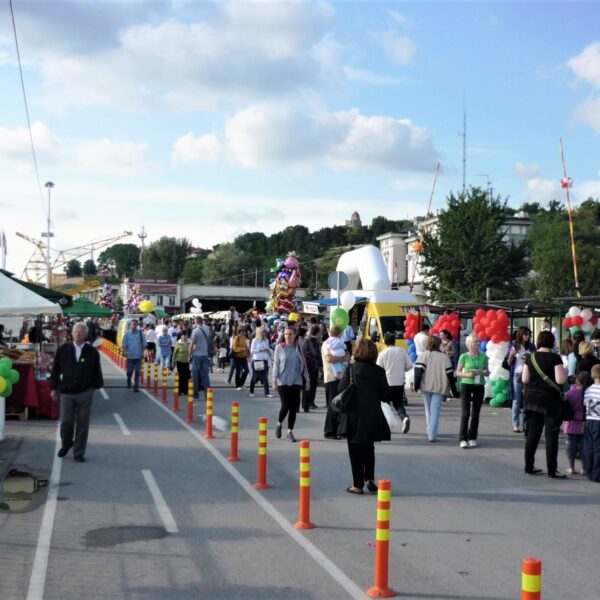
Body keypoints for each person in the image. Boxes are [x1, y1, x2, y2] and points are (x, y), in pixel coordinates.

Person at [337, 338, 390, 495]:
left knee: (354, 450)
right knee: (369, 448)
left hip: (353, 414)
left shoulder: (351, 369)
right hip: (372, 414)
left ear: (357, 351)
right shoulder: (378, 371)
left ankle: (357, 484)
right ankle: (369, 478)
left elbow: (341, 388)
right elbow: (386, 395)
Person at [50, 322, 104, 463]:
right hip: (67, 392)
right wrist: (53, 388)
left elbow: (97, 371)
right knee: (66, 422)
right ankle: (66, 443)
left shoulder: (92, 352)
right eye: (75, 331)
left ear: (86, 335)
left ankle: (79, 452)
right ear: (71, 333)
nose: (78, 334)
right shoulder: (63, 349)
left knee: (82, 424)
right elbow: (56, 370)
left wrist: (96, 386)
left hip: (85, 392)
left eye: (81, 332)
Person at [521, 330, 568, 478]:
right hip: (550, 401)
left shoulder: (530, 357)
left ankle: (529, 466)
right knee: (551, 436)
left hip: (532, 399)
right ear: (552, 342)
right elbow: (560, 380)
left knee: (533, 435)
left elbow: (524, 379)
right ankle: (552, 470)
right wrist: (565, 372)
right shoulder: (555, 358)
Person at [414, 335, 458, 442]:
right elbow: (450, 375)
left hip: (426, 386)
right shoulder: (444, 358)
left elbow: (418, 372)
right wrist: (454, 391)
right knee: (435, 410)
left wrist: (416, 386)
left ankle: (430, 430)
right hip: (440, 387)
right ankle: (431, 434)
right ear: (439, 344)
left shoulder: (423, 356)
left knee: (428, 410)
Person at [272, 326, 310, 442]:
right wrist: (274, 381)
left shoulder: (297, 348)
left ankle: (290, 431)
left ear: (294, 336)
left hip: (296, 381)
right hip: (283, 381)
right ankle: (279, 424)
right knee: (285, 405)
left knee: (293, 408)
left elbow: (304, 365)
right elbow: (276, 365)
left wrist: (307, 380)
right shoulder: (279, 348)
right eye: (286, 334)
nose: (288, 336)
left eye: (290, 334)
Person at [456, 334, 489, 448]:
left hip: (479, 384)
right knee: (465, 413)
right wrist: (467, 374)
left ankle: (472, 437)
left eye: (479, 341)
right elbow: (458, 372)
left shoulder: (484, 356)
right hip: (466, 384)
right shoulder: (464, 356)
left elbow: (487, 371)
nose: (478, 343)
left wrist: (484, 372)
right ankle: (463, 438)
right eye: (475, 342)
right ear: (470, 343)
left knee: (476, 412)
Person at [376, 333, 412, 434]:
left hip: (386, 382)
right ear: (394, 341)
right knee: (398, 403)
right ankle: (404, 418)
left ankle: (386, 424)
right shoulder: (402, 351)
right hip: (399, 382)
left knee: (384, 404)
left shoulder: (383, 353)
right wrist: (401, 369)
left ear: (385, 341)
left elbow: (378, 368)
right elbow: (409, 365)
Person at [505, 326, 536, 433]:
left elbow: (535, 359)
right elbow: (508, 363)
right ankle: (515, 424)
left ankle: (526, 424)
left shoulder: (531, 346)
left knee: (527, 399)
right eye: (526, 334)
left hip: (528, 374)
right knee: (517, 399)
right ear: (521, 334)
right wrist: (511, 356)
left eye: (529, 334)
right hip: (517, 374)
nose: (528, 336)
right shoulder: (514, 345)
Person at [322, 326, 351, 439]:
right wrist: (343, 358)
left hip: (341, 378)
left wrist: (346, 358)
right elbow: (329, 359)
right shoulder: (326, 344)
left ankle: (338, 430)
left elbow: (348, 357)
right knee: (333, 405)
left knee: (340, 404)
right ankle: (329, 431)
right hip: (331, 378)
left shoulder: (340, 344)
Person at [564, 371, 592, 475]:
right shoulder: (588, 393)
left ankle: (571, 467)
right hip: (585, 423)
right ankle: (584, 468)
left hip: (571, 423)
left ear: (577, 381)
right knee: (584, 447)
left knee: (571, 446)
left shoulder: (570, 393)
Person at [583, 364, 600, 482]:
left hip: (589, 419)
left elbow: (585, 404)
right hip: (599, 421)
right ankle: (597, 472)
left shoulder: (588, 389)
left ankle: (588, 469)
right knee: (598, 448)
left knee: (588, 446)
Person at [189, 317, 212, 398]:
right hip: (205, 354)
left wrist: (189, 355)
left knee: (195, 375)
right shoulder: (207, 329)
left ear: (196, 322)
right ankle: (207, 394)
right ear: (202, 322)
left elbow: (192, 344)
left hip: (197, 355)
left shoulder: (195, 331)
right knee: (205, 375)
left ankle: (195, 394)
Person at [300, 325, 322, 411]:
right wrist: (320, 366)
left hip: (306, 366)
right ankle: (310, 403)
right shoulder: (314, 342)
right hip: (312, 365)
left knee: (306, 385)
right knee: (312, 385)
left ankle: (306, 403)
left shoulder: (305, 340)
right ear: (317, 333)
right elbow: (317, 354)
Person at [122, 319, 146, 392]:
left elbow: (144, 344)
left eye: (135, 324)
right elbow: (124, 344)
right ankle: (129, 379)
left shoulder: (140, 333)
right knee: (129, 371)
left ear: (137, 325)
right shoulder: (127, 334)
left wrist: (143, 352)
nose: (134, 326)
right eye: (133, 324)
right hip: (130, 356)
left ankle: (136, 386)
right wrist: (125, 351)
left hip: (138, 356)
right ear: (130, 325)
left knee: (138, 372)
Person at [249, 326, 273, 397]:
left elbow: (268, 348)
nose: (265, 333)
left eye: (265, 332)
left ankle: (267, 393)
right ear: (260, 332)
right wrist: (260, 350)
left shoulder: (266, 340)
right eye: (263, 332)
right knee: (255, 377)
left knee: (265, 377)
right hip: (257, 360)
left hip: (265, 359)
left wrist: (268, 350)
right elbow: (252, 350)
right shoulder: (255, 340)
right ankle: (251, 391)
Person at [172, 330, 190, 396]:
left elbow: (192, 351)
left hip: (187, 362)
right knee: (181, 376)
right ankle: (179, 390)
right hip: (180, 361)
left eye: (186, 335)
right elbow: (174, 353)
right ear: (181, 336)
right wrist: (173, 362)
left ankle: (185, 390)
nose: (185, 336)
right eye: (183, 335)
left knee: (187, 376)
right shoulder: (178, 343)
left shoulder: (189, 342)